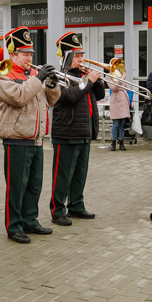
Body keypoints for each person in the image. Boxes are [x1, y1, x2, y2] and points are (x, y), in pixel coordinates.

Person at [0, 26, 60, 244]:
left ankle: (30, 219)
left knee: (34, 184)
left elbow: (53, 100)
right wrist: (39, 78)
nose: (29, 58)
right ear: (12, 54)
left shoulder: (32, 75)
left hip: (36, 137)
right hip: (16, 138)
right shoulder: (3, 75)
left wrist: (52, 84)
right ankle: (14, 226)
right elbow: (19, 97)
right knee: (17, 187)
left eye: (31, 54)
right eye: (25, 54)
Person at [49, 32, 104, 227]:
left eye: (81, 55)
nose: (81, 59)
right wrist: (89, 80)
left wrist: (97, 79)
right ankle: (57, 211)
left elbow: (99, 95)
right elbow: (69, 96)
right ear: (67, 57)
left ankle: (76, 205)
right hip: (67, 131)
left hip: (85, 130)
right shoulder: (58, 76)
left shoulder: (82, 76)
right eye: (77, 56)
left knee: (80, 173)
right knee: (63, 174)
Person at [108, 74, 131, 151]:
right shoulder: (109, 76)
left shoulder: (122, 74)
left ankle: (121, 143)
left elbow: (127, 88)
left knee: (122, 124)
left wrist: (131, 101)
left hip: (124, 100)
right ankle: (113, 143)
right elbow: (113, 88)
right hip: (116, 100)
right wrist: (121, 79)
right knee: (115, 124)